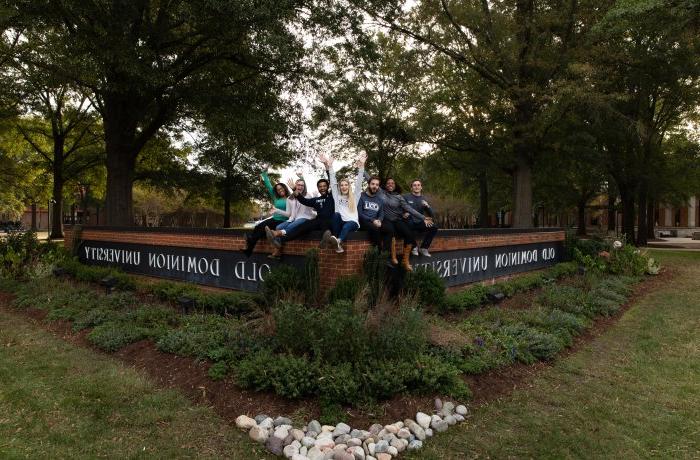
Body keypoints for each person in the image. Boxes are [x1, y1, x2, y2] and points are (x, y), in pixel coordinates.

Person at [373, 176, 432, 271]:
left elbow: (409, 209)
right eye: (388, 183)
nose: (390, 184)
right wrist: (362, 168)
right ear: (385, 185)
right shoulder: (381, 192)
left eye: (392, 183)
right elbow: (371, 180)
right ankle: (393, 257)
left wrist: (423, 217)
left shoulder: (399, 197)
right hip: (386, 219)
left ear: (395, 185)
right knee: (391, 232)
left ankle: (405, 260)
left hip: (397, 219)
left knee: (409, 234)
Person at [272, 161, 335, 247]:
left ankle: (325, 238)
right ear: (318, 188)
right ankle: (280, 240)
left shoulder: (331, 196)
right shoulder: (316, 200)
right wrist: (294, 189)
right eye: (320, 187)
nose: (322, 188)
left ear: (328, 187)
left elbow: (333, 183)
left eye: (324, 186)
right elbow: (303, 200)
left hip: (329, 220)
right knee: (302, 227)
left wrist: (328, 168)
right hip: (318, 221)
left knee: (325, 223)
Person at [265, 171, 317, 258]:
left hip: (306, 218)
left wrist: (302, 177)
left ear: (304, 187)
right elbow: (289, 214)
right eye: (298, 185)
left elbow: (312, 204)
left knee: (294, 224)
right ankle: (278, 247)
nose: (300, 187)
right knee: (279, 226)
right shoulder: (290, 199)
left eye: (302, 185)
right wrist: (277, 210)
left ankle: (277, 234)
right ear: (295, 186)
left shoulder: (308, 195)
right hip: (293, 218)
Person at [242, 166, 290, 257]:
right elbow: (268, 185)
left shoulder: (290, 198)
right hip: (275, 218)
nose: (280, 190)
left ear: (285, 188)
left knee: (262, 229)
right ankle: (249, 249)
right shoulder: (276, 198)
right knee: (258, 227)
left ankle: (249, 242)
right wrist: (264, 173)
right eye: (278, 190)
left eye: (281, 188)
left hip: (283, 220)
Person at [323, 153, 364, 253]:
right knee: (336, 215)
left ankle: (338, 241)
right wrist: (330, 166)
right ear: (340, 187)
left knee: (347, 226)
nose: (344, 187)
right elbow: (333, 182)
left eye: (346, 185)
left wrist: (361, 167)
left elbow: (359, 183)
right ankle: (336, 242)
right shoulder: (337, 197)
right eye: (342, 185)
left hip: (352, 223)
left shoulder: (354, 197)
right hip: (341, 221)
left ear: (349, 186)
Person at [403, 179, 438, 257]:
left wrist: (427, 206)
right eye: (414, 185)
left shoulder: (424, 199)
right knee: (408, 223)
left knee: (434, 227)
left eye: (418, 185)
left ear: (421, 187)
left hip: (420, 222)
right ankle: (414, 246)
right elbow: (400, 208)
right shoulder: (405, 197)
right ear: (411, 188)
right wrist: (403, 213)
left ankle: (424, 248)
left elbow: (432, 215)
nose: (416, 187)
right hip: (409, 221)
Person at [358, 175, 392, 252]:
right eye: (373, 184)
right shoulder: (361, 196)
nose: (375, 186)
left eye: (377, 185)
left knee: (389, 230)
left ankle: (385, 253)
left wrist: (379, 220)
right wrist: (373, 220)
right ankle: (378, 253)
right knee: (375, 229)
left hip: (375, 221)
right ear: (368, 184)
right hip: (363, 221)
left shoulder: (379, 199)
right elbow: (359, 213)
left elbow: (381, 213)